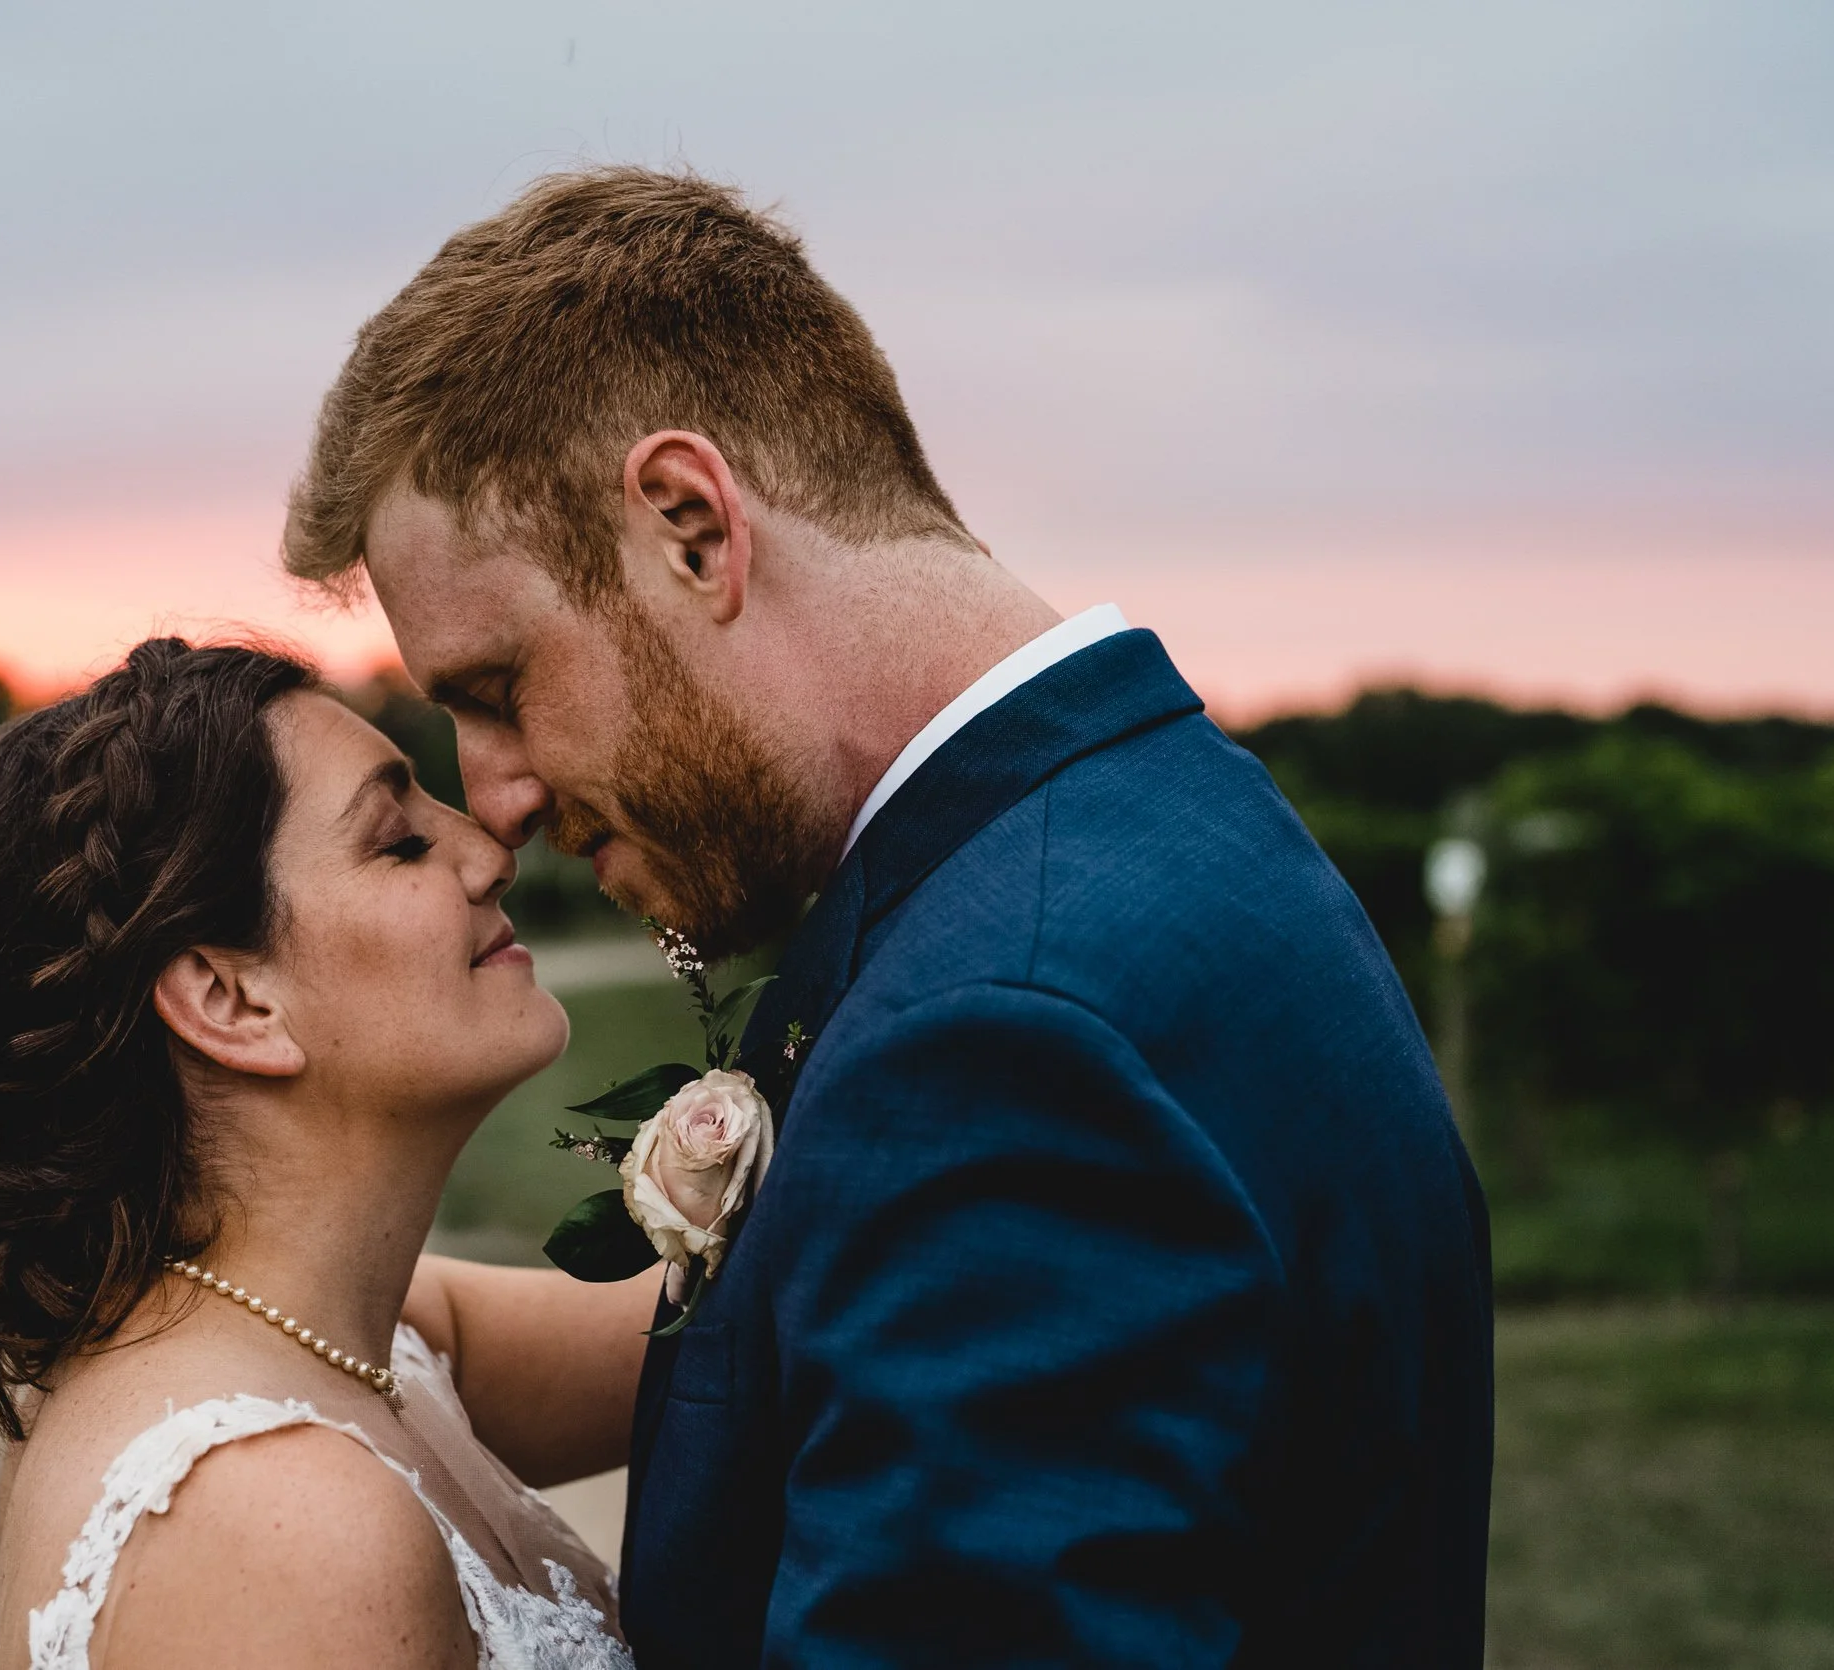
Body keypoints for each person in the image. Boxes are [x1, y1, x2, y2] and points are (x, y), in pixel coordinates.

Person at [286, 168, 1494, 1665]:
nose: (500, 795)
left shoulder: (1002, 1043)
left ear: (690, 525)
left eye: (496, 688)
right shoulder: (1166, 820)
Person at [0, 638, 653, 1669]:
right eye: (400, 842)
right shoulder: (276, 1517)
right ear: (230, 998)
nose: (488, 850)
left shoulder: (365, 1337)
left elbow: (762, 1325)